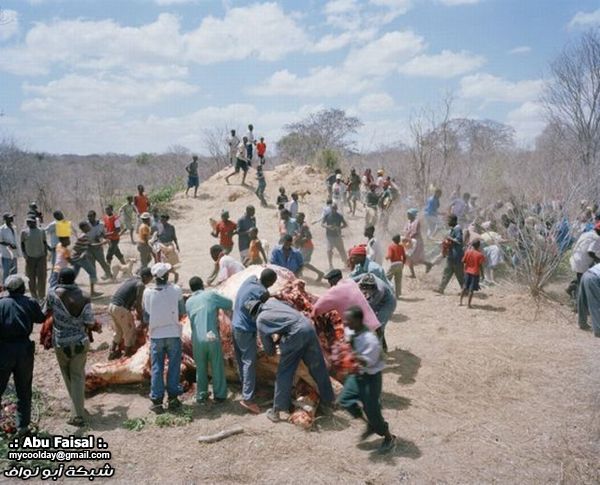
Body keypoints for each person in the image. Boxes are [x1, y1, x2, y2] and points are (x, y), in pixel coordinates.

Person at [247, 297, 335, 423]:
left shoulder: (260, 320)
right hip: (307, 327)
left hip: (296, 334)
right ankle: (329, 401)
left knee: (284, 373)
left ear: (254, 314)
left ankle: (276, 411)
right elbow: (289, 309)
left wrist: (273, 350)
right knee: (318, 367)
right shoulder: (272, 302)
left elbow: (268, 347)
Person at [45, 268, 99, 426]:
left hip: (61, 342)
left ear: (60, 280)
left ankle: (77, 413)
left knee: (68, 375)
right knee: (77, 376)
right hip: (80, 342)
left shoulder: (52, 294)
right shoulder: (84, 296)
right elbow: (90, 322)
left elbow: (44, 312)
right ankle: (78, 409)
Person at [338, 306, 396, 454]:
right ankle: (369, 425)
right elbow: (346, 341)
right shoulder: (351, 330)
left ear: (358, 321)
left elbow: (366, 362)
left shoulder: (370, 340)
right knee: (345, 400)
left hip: (371, 377)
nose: (346, 323)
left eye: (349, 321)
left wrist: (348, 354)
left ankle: (389, 437)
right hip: (357, 374)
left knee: (373, 411)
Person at [0, 275, 45, 436]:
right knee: (24, 389)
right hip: (24, 350)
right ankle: (23, 427)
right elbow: (41, 318)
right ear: (21, 288)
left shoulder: (1, 304)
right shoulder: (29, 302)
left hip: (3, 350)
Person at [232, 269, 277, 414]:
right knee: (248, 362)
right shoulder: (262, 293)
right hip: (245, 329)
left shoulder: (250, 279)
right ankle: (248, 399)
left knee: (241, 360)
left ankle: (247, 389)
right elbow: (262, 314)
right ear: (271, 283)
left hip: (235, 325)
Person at [142, 262, 185, 413]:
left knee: (157, 368)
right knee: (173, 366)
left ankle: (157, 401)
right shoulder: (176, 289)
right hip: (173, 333)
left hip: (156, 335)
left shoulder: (147, 292)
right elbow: (182, 310)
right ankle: (173, 399)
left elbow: (146, 316)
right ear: (167, 275)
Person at [186, 276, 233, 403]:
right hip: (211, 336)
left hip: (196, 339)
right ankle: (220, 395)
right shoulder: (210, 295)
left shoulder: (189, 302)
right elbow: (229, 304)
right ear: (202, 285)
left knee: (201, 369)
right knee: (217, 366)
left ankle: (201, 395)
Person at [312, 269, 380, 332]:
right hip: (374, 325)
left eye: (330, 280)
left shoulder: (335, 291)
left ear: (335, 279)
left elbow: (316, 309)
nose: (329, 282)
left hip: (361, 333)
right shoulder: (350, 282)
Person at [108, 267, 153, 360]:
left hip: (112, 306)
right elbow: (138, 305)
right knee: (130, 331)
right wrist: (142, 319)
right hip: (121, 308)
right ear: (145, 276)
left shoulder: (131, 279)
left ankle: (112, 351)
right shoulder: (140, 285)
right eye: (150, 278)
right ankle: (127, 355)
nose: (150, 281)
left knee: (118, 330)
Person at [358, 273, 396, 353]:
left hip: (388, 303)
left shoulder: (379, 290)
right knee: (376, 325)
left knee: (378, 325)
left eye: (368, 288)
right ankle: (383, 347)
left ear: (373, 287)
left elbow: (369, 307)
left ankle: (378, 352)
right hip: (376, 300)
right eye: (364, 287)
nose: (365, 290)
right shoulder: (364, 278)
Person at [568, 222, 600, 299]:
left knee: (581, 277)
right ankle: (576, 303)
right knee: (582, 284)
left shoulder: (586, 234)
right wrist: (598, 260)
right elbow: (590, 252)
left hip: (575, 258)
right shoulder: (597, 238)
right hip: (582, 262)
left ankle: (570, 288)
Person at [435, 215, 465, 294]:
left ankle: (465, 290)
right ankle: (441, 289)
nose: (447, 222)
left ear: (454, 221)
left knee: (460, 275)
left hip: (457, 256)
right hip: (451, 255)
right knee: (447, 272)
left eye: (449, 220)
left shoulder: (458, 229)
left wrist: (449, 238)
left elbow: (459, 241)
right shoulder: (453, 229)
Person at [21, 217, 48, 300]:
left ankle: (42, 297)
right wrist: (25, 255)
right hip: (30, 258)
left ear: (35, 222)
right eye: (28, 221)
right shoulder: (24, 232)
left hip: (41, 257)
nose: (30, 223)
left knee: (42, 278)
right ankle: (34, 297)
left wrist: (45, 254)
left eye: (32, 221)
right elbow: (22, 244)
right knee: (30, 278)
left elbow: (44, 242)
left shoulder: (42, 231)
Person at [71, 221, 101, 298]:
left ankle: (67, 291)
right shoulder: (84, 236)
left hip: (76, 258)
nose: (89, 226)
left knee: (74, 275)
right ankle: (92, 292)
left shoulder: (83, 236)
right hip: (80, 258)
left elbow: (90, 245)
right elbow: (76, 248)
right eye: (87, 225)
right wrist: (82, 253)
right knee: (92, 272)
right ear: (84, 228)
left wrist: (102, 243)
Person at [293, 212, 324, 281]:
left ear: (302, 218)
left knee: (304, 263)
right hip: (304, 247)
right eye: (296, 217)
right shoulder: (300, 225)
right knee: (301, 262)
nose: (296, 218)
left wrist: (300, 241)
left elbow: (309, 236)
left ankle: (320, 273)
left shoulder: (304, 226)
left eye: (298, 217)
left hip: (307, 247)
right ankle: (300, 274)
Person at [404, 208, 431, 278]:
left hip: (416, 242)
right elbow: (406, 230)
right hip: (410, 241)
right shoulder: (408, 222)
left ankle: (427, 264)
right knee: (410, 257)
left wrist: (407, 237)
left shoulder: (417, 222)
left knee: (413, 257)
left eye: (409, 214)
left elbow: (414, 232)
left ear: (413, 215)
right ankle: (427, 264)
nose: (408, 216)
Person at [86, 210, 112, 280]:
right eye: (88, 216)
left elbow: (103, 234)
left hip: (98, 247)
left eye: (90, 216)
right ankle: (93, 279)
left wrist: (107, 239)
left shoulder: (101, 224)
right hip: (89, 247)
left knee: (102, 262)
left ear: (94, 216)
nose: (89, 218)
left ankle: (109, 275)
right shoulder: (86, 224)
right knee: (91, 265)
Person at [460, 240, 486, 308]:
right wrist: (483, 275)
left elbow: (463, 261)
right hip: (475, 273)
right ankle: (468, 305)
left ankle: (460, 302)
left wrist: (464, 270)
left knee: (464, 287)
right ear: (479, 246)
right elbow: (480, 266)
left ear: (472, 245)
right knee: (471, 290)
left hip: (467, 272)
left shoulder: (467, 252)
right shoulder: (480, 255)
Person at [322, 204, 348, 269]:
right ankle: (330, 265)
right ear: (331, 208)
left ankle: (346, 263)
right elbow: (322, 224)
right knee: (329, 250)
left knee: (341, 250)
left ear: (336, 209)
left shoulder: (339, 216)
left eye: (335, 208)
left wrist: (339, 227)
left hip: (337, 236)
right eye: (333, 208)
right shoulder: (327, 215)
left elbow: (345, 225)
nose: (334, 210)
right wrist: (328, 226)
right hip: (329, 236)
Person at [0, 213, 19, 284]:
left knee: (14, 271)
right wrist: (9, 244)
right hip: (6, 253)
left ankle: (13, 286)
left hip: (14, 253)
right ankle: (5, 286)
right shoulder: (2, 229)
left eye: (12, 217)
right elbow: (0, 241)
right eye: (10, 217)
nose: (12, 218)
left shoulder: (14, 227)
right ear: (5, 219)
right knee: (6, 272)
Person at [386, 234, 406, 299]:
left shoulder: (391, 246)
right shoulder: (401, 247)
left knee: (387, 278)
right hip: (400, 264)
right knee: (398, 280)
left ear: (393, 240)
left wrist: (386, 257)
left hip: (394, 263)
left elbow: (390, 255)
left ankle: (387, 292)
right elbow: (404, 257)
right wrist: (403, 264)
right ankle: (397, 295)